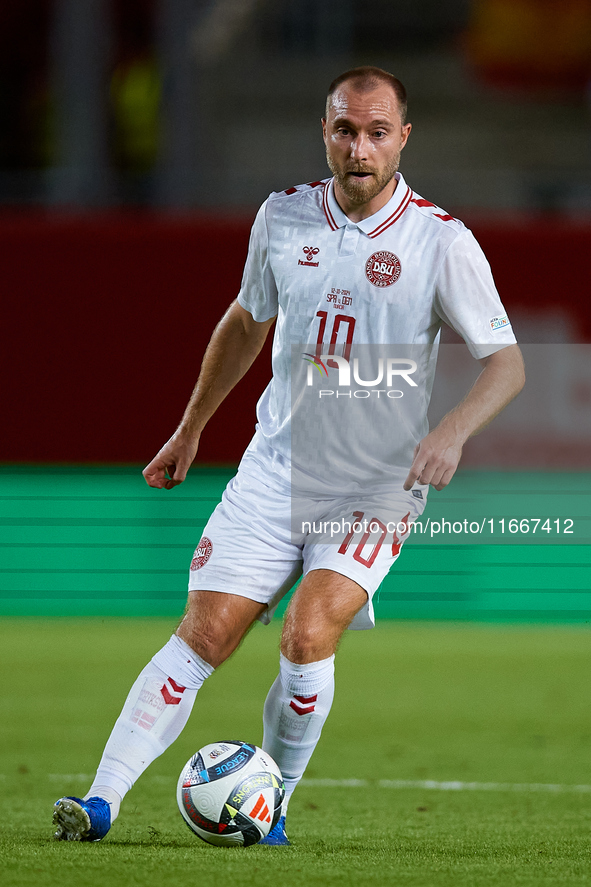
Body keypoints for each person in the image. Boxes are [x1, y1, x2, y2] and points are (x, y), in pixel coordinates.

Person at [53, 66, 524, 844]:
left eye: (377, 131)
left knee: (306, 634)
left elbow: (505, 361)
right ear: (325, 131)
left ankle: (272, 806)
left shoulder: (441, 242)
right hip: (273, 468)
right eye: (345, 129)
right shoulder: (282, 217)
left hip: (376, 483)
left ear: (403, 138)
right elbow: (245, 319)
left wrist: (451, 432)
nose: (360, 147)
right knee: (202, 635)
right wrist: (191, 424)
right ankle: (99, 802)